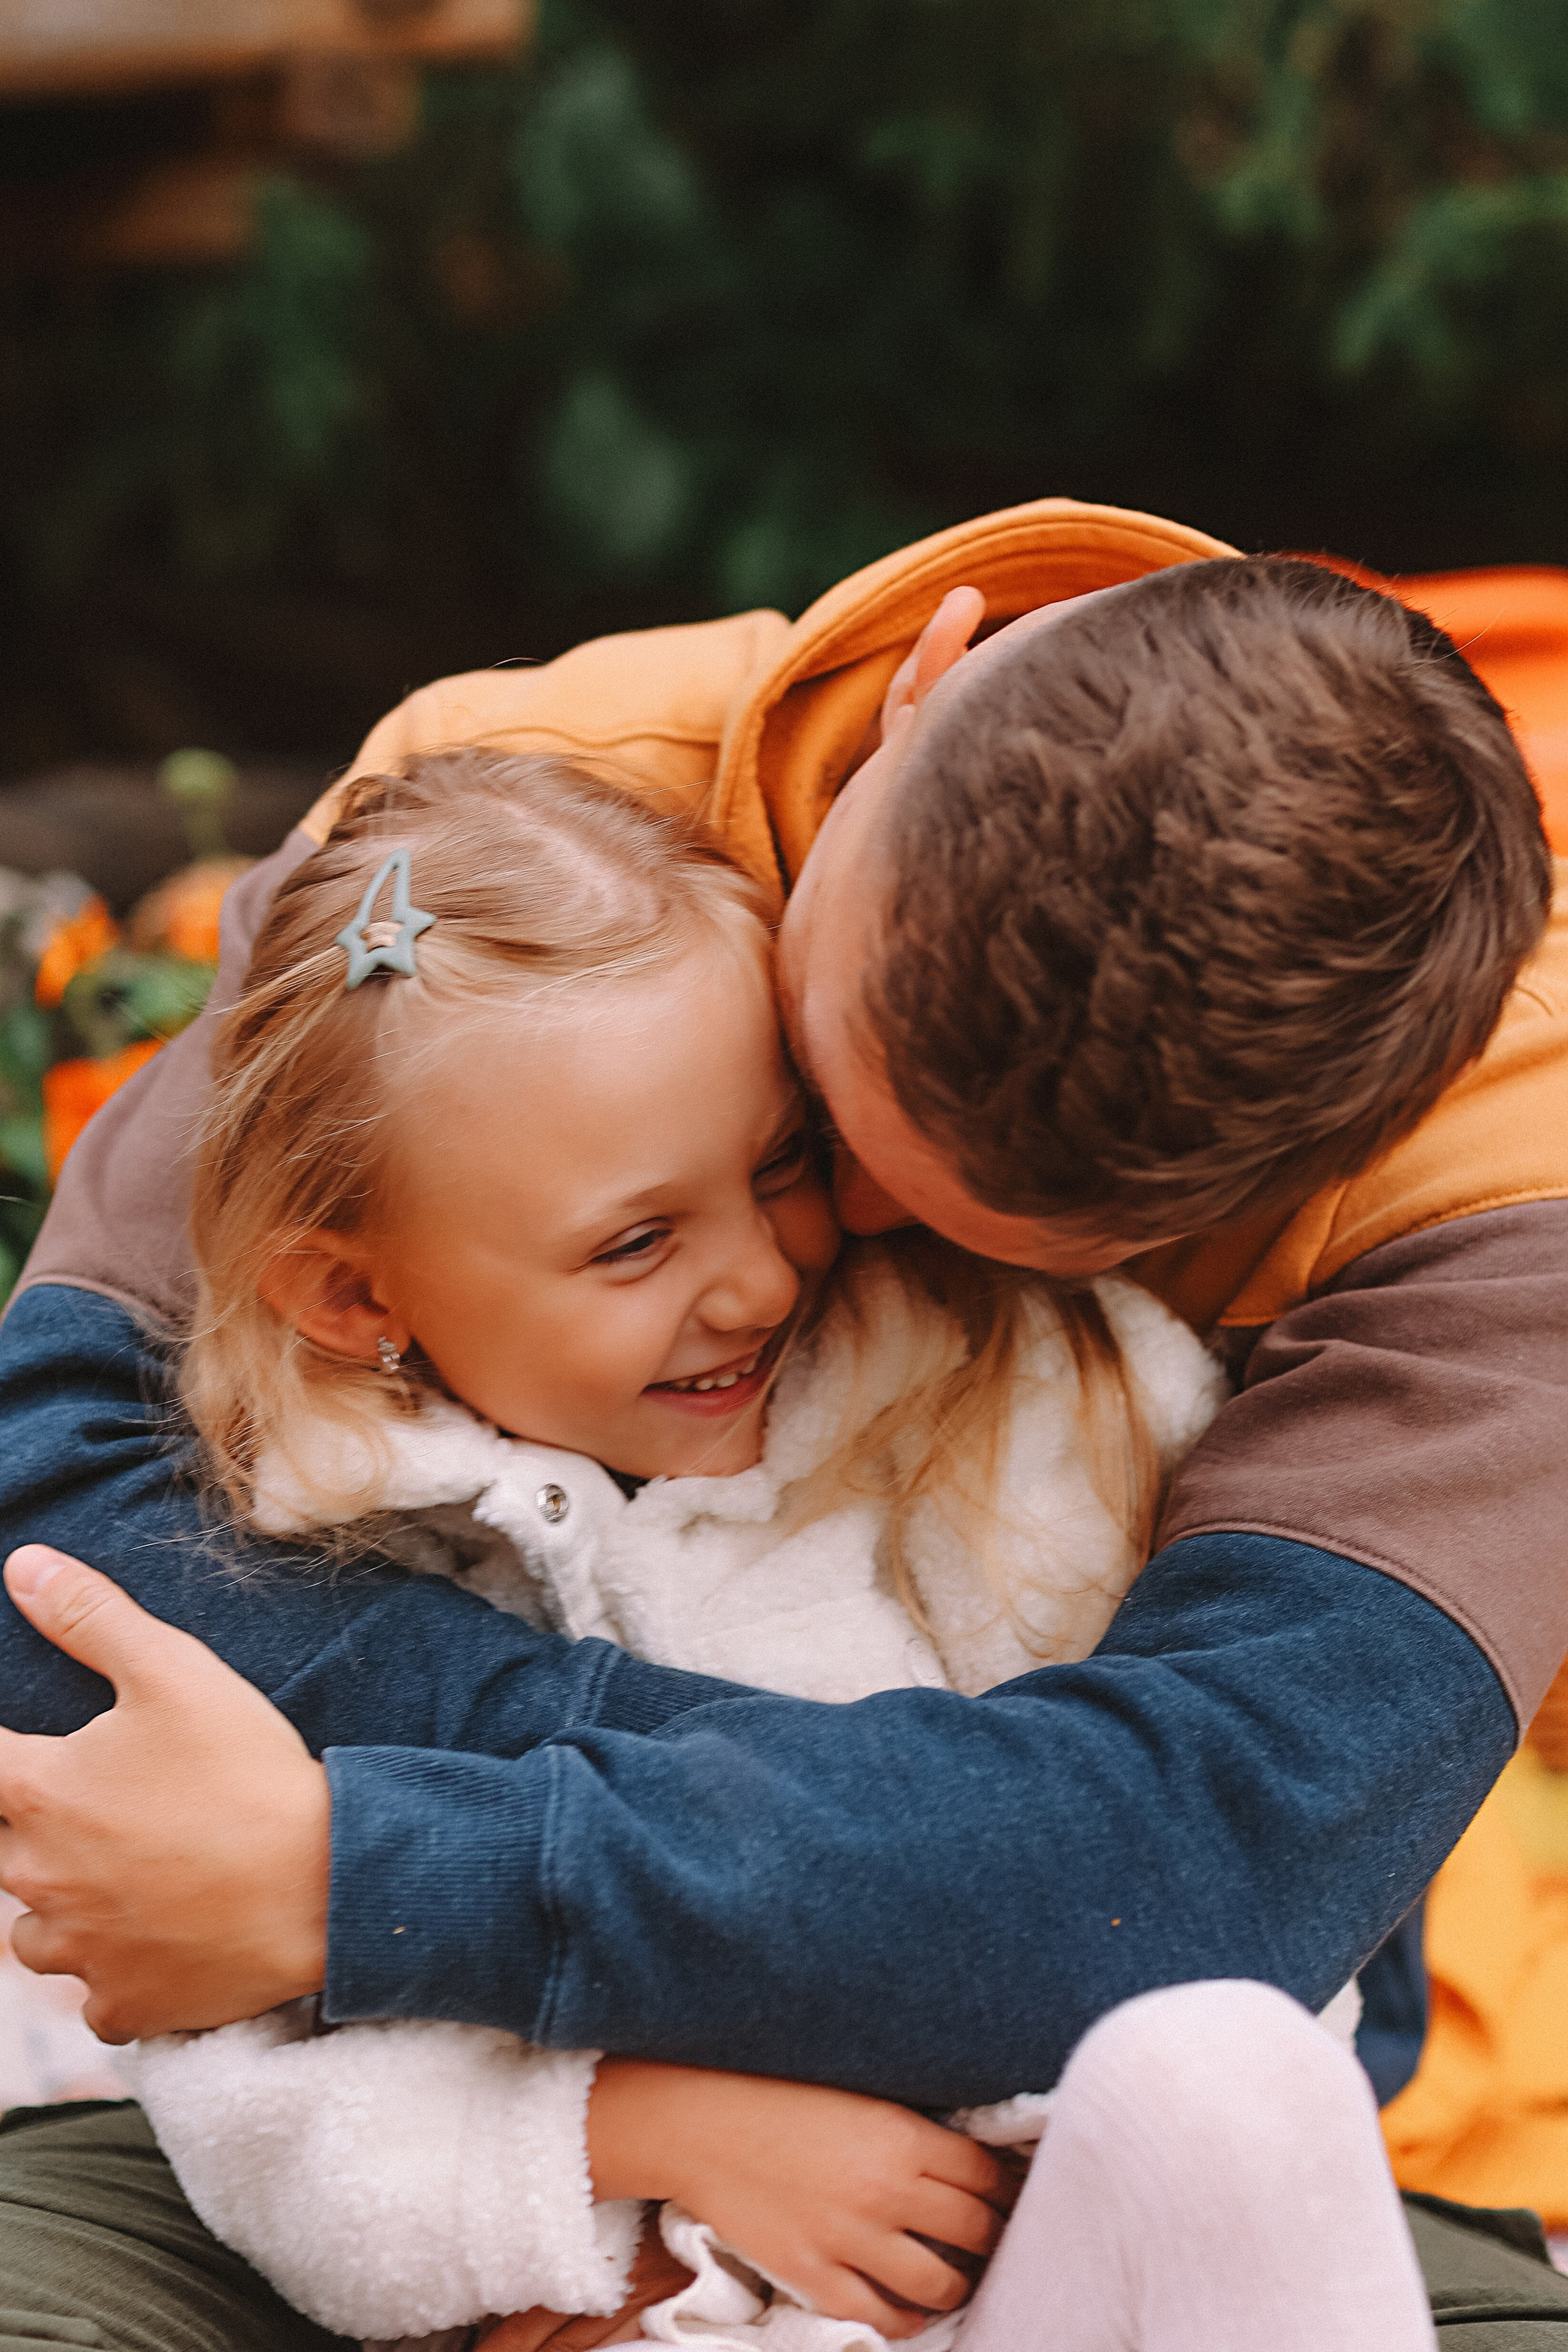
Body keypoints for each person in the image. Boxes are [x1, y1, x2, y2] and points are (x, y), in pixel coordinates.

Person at [1, 520, 1567, 2343]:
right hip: (474, 2113)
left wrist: (360, 1864)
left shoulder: (1505, 1221)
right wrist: (906, 1863)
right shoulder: (528, 830)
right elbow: (68, 1510)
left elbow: (1181, 1885)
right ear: (929, 690)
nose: (807, 1277)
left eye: (978, 1246)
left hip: (1069, 2161)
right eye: (820, 1115)